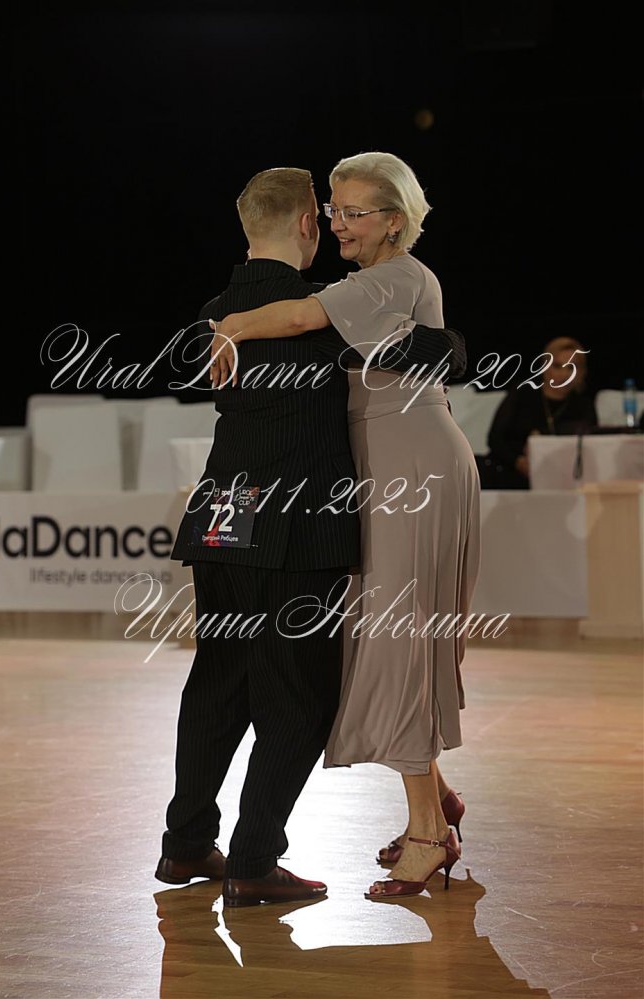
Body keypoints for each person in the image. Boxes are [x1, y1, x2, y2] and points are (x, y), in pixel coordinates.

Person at [157, 166, 465, 907]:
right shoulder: (323, 312)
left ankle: (186, 842)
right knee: (295, 697)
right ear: (305, 225)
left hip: (222, 511)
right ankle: (254, 860)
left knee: (216, 683)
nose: (334, 226)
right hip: (290, 521)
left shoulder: (212, 311)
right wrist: (449, 345)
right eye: (328, 215)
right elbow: (442, 355)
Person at [478, 336, 597, 489]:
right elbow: (495, 438)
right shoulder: (523, 393)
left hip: (563, 477)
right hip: (510, 472)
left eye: (571, 368)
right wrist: (518, 462)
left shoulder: (583, 405)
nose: (564, 374)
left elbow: (589, 445)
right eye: (557, 366)